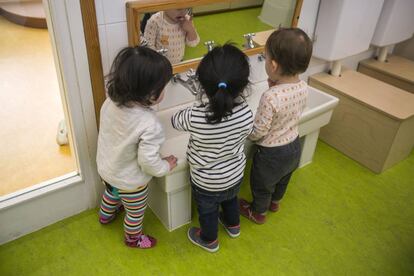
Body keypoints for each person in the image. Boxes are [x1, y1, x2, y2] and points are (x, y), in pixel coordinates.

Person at [171, 44, 253, 253]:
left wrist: (197, 105)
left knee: (208, 211)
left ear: (203, 85)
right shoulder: (246, 113)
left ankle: (209, 239)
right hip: (234, 174)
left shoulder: (196, 116)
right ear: (242, 86)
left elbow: (174, 121)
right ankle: (233, 225)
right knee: (230, 200)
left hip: (206, 181)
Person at [97, 46, 177, 249]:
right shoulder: (149, 124)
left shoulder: (109, 103)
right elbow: (148, 162)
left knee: (111, 193)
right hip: (132, 183)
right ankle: (133, 238)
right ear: (150, 93)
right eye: (163, 87)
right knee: (135, 212)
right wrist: (165, 166)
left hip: (107, 169)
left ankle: (105, 216)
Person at [239, 28, 313, 224]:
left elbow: (259, 131)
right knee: (283, 179)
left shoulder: (270, 96)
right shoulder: (303, 86)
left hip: (271, 153)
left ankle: (258, 212)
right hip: (294, 145)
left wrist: (245, 133)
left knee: (262, 185)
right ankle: (275, 203)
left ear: (272, 64)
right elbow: (290, 110)